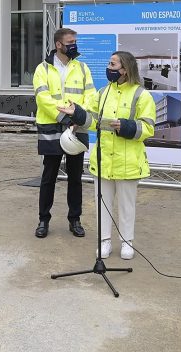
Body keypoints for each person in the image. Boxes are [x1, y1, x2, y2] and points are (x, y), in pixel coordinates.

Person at [58, 51, 156, 260]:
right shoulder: (102, 93)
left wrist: (127, 127)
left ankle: (127, 243)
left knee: (126, 206)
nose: (108, 68)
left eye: (113, 64)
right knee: (102, 203)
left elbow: (148, 128)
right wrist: (76, 113)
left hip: (128, 162)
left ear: (125, 69)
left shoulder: (142, 95)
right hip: (103, 160)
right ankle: (105, 242)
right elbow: (93, 120)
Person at [32, 28, 96, 239]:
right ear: (59, 44)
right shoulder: (42, 69)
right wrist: (65, 118)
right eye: (70, 42)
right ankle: (43, 220)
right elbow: (43, 98)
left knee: (76, 177)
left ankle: (75, 220)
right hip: (52, 127)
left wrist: (78, 118)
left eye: (75, 41)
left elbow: (90, 96)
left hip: (77, 128)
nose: (74, 45)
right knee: (49, 176)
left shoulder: (82, 68)